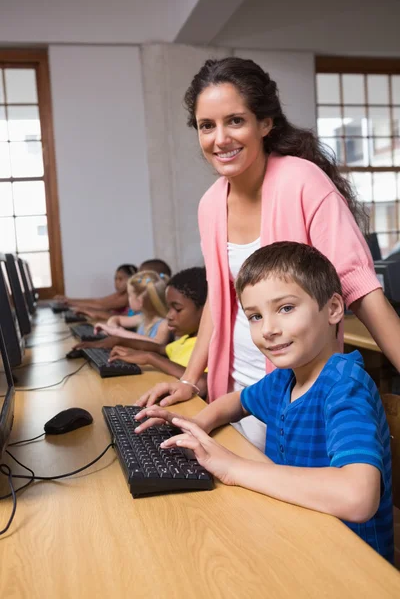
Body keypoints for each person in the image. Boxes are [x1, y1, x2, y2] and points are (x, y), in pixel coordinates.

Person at [138, 57, 400, 443]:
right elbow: (218, 299)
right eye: (207, 126)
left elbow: (361, 288)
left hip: (297, 395)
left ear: (265, 123)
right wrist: (192, 381)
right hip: (235, 393)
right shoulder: (210, 204)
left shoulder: (302, 181)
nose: (220, 138)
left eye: (235, 121)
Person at [134, 242, 394, 563]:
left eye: (285, 308)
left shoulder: (343, 385)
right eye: (255, 316)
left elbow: (358, 497)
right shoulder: (283, 379)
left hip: (347, 561)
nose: (268, 329)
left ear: (333, 308)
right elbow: (235, 402)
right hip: (294, 535)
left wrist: (234, 467)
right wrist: (196, 427)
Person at [107, 267, 208, 392]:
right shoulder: (186, 340)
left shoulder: (209, 347)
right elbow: (159, 348)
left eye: (177, 309)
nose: (169, 316)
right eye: (169, 308)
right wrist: (117, 340)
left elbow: (203, 382)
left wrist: (150, 358)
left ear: (205, 310)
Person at [93, 271, 171, 345]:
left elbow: (156, 344)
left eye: (130, 295)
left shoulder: (164, 324)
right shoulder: (143, 317)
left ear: (140, 302)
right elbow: (116, 319)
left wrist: (117, 332)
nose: (128, 299)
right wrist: (113, 326)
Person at [54, 264, 137, 320]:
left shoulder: (127, 296)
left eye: (120, 279)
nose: (117, 282)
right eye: (115, 279)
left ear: (132, 280)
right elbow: (99, 301)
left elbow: (101, 306)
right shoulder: (120, 294)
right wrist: (69, 301)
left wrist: (91, 311)